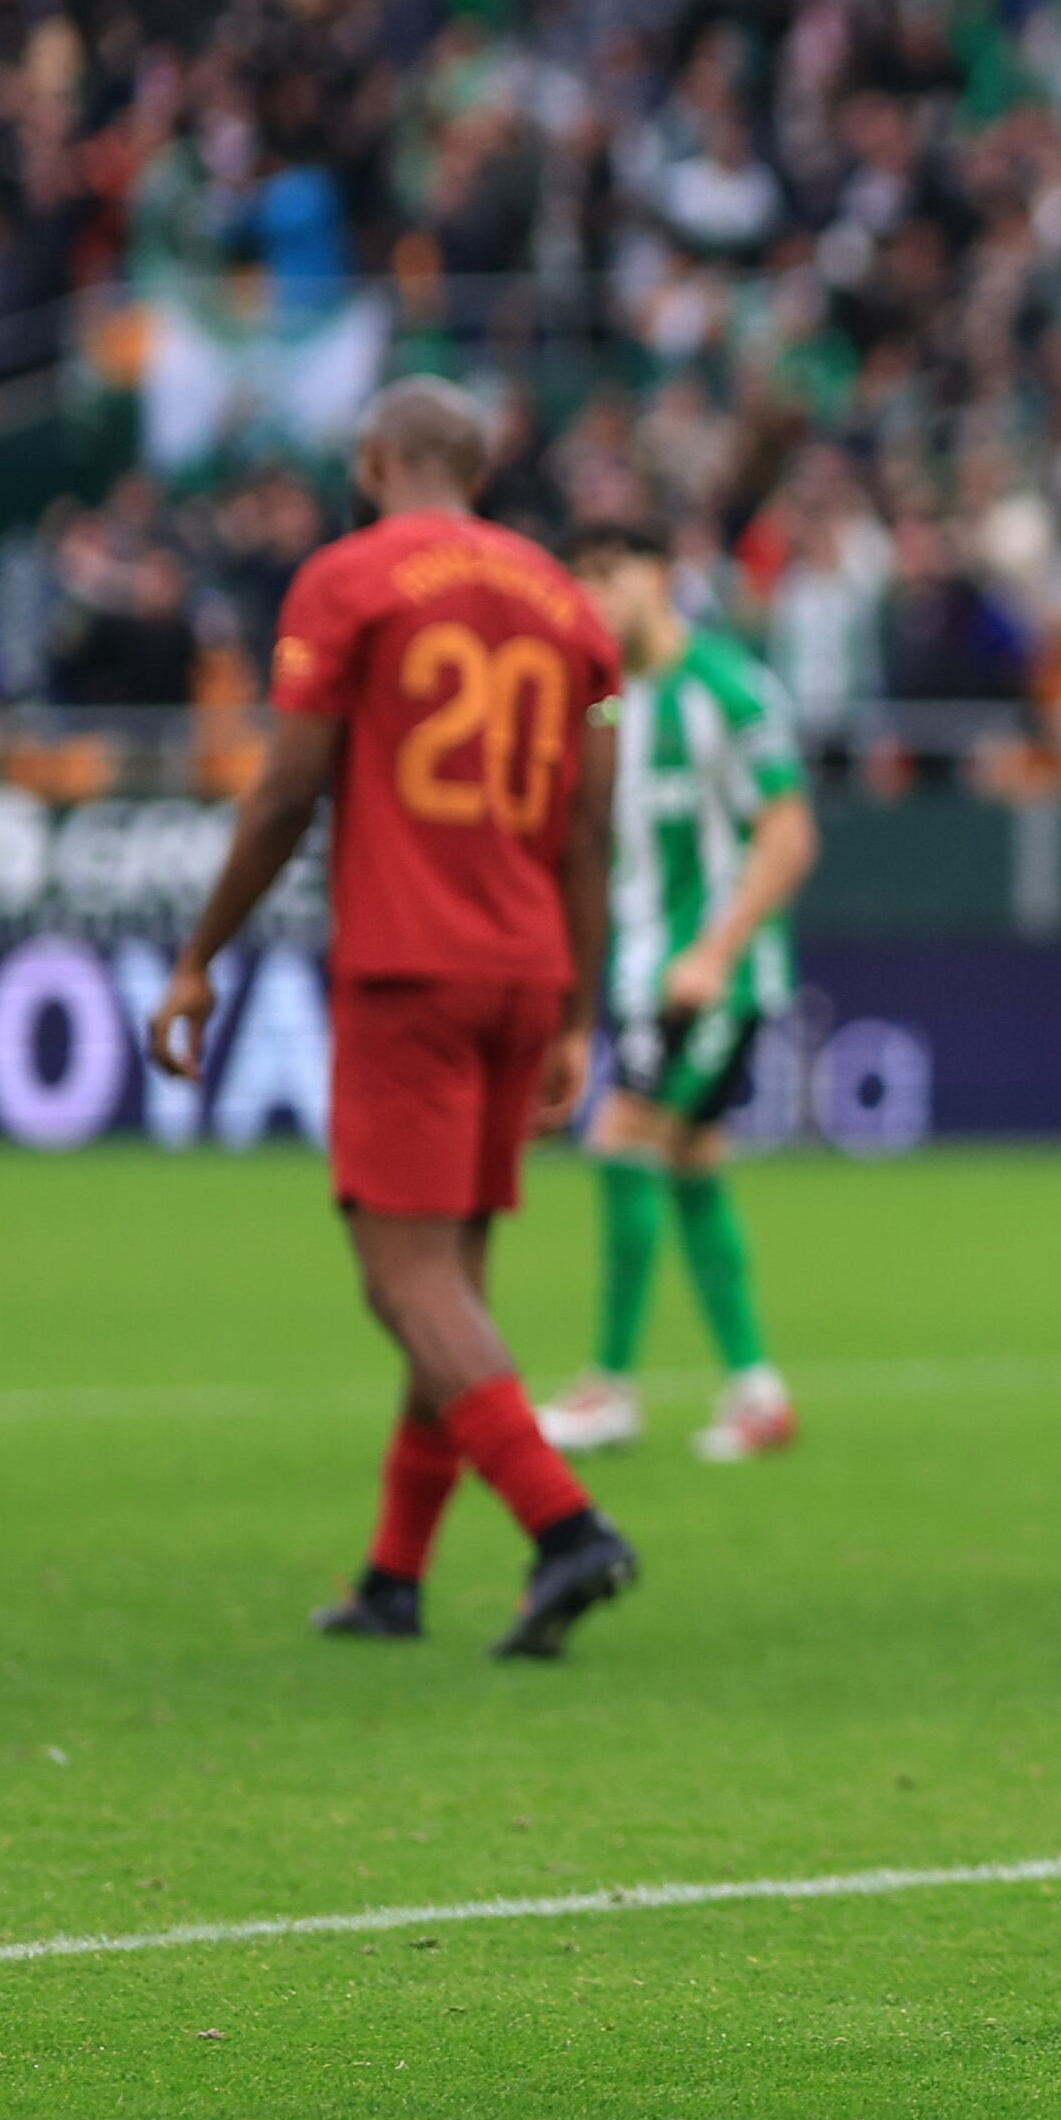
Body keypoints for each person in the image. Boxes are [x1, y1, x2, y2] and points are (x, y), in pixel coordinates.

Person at [146, 378, 644, 1658]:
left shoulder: (345, 583)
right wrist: (580, 1009)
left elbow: (289, 785)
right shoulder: (575, 617)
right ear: (474, 471)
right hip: (526, 969)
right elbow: (593, 819)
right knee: (454, 1280)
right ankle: (394, 1579)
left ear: (374, 461)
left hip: (411, 963)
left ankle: (564, 1525)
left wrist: (201, 955)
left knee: (403, 1277)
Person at [538, 525, 818, 1465]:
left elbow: (788, 834)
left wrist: (714, 952)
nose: (594, 597)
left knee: (620, 1137)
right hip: (640, 969)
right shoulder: (610, 703)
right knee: (693, 1162)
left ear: (660, 576)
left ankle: (608, 1387)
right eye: (581, 580)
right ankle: (757, 1391)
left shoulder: (727, 688)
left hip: (711, 980)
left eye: (608, 575)